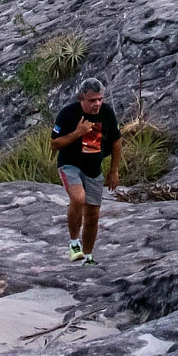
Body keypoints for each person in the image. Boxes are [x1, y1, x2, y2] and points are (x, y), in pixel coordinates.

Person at [51, 78, 124, 264]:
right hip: (70, 165)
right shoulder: (68, 113)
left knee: (93, 214)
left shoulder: (106, 112)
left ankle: (88, 256)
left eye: (100, 99)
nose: (97, 104)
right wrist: (78, 132)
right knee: (78, 198)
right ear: (82, 98)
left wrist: (113, 171)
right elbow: (54, 144)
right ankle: (74, 242)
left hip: (93, 169)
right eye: (92, 100)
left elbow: (116, 142)